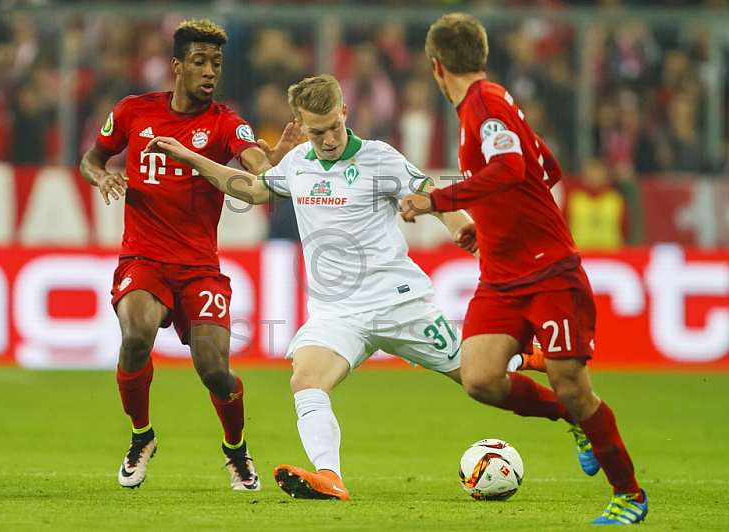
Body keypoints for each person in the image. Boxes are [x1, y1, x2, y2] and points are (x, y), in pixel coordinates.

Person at [144, 74, 566, 501]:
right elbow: (253, 189)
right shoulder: (297, 163)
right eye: (316, 131)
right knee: (305, 379)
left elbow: (432, 195)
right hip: (338, 314)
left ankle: (557, 397)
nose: (327, 138)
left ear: (344, 112)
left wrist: (465, 231)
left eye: (333, 126)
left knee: (483, 380)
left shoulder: (380, 158)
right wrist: (189, 156)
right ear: (302, 125)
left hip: (399, 305)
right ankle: (329, 476)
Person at [400, 13, 647, 525]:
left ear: (436, 67)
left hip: (548, 269)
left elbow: (511, 168)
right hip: (500, 271)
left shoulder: (483, 104)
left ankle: (629, 494)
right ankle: (572, 420)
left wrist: (438, 200)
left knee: (574, 385)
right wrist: (488, 226)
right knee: (480, 378)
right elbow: (545, 166)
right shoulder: (494, 101)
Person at [79, 19, 301, 491]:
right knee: (136, 334)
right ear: (177, 66)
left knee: (215, 371)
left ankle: (236, 450)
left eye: (216, 63)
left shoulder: (225, 122)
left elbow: (258, 170)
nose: (209, 71)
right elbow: (92, 159)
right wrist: (102, 177)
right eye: (199, 62)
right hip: (143, 256)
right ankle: (142, 437)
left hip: (200, 267)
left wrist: (278, 158)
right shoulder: (133, 111)